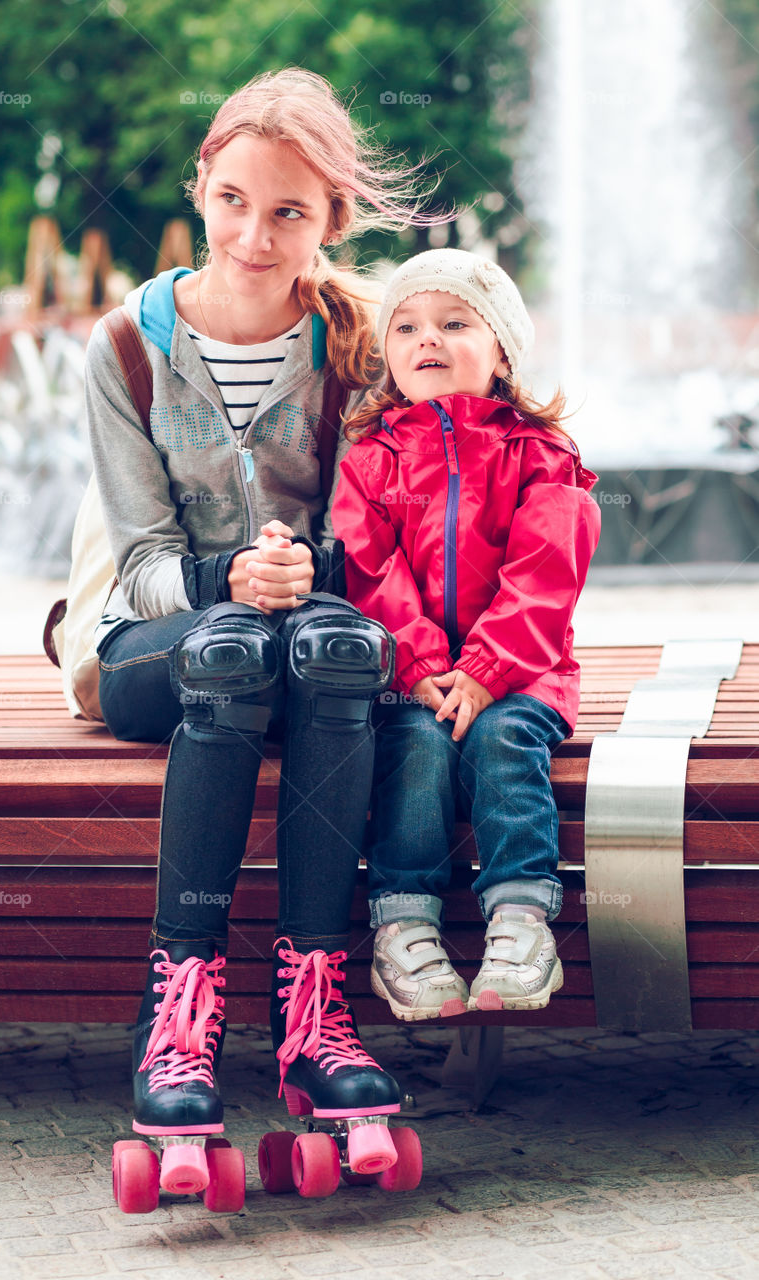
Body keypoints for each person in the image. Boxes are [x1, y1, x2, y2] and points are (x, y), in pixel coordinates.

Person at [87, 69, 440, 1197]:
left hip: (310, 637)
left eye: (288, 211)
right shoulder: (129, 347)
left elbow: (377, 551)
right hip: (157, 645)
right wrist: (226, 575)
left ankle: (313, 1011)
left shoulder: (356, 347)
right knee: (231, 645)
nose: (253, 233)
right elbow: (139, 566)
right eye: (234, 199)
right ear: (199, 186)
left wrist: (309, 566)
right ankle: (176, 1013)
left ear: (329, 221)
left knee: (335, 646)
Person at [331, 248, 601, 1022]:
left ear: (503, 352)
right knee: (413, 746)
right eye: (407, 326)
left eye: (455, 324)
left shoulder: (540, 455)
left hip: (524, 675)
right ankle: (404, 924)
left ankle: (520, 918)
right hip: (411, 678)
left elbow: (545, 575)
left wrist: (485, 671)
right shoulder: (372, 462)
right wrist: (418, 666)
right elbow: (368, 570)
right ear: (386, 354)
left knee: (502, 742)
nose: (429, 340)